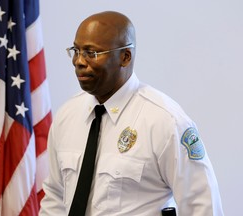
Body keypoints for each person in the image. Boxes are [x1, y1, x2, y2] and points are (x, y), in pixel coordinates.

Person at [39, 11, 224, 216]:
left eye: (91, 53)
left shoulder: (164, 120)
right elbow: (55, 197)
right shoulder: (68, 115)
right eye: (76, 50)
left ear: (125, 57)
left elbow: (202, 205)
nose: (78, 61)